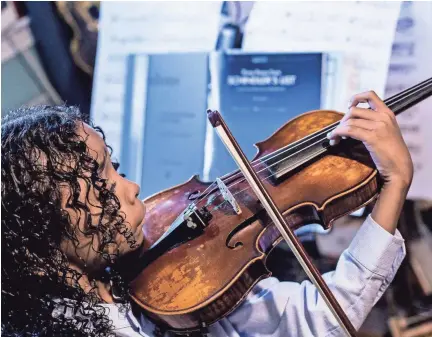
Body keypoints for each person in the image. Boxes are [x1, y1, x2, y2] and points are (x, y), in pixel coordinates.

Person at [1, 91, 412, 337]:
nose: (132, 189)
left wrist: (393, 184)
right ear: (42, 232)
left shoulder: (156, 281)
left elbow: (320, 320)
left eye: (117, 169)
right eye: (103, 186)